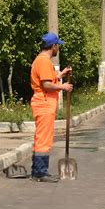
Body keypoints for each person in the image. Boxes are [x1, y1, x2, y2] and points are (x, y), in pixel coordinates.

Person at [30, 32, 73, 182]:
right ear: (53, 46)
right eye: (57, 46)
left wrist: (61, 74)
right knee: (44, 138)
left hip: (44, 103)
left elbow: (50, 78)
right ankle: (40, 172)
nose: (58, 49)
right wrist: (63, 87)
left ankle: (37, 170)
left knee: (41, 137)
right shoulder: (43, 61)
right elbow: (46, 85)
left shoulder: (43, 61)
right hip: (44, 102)